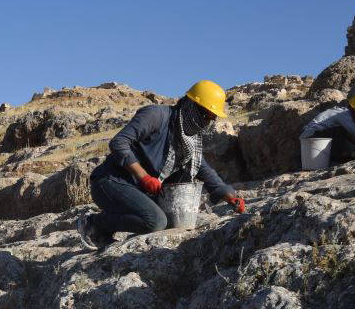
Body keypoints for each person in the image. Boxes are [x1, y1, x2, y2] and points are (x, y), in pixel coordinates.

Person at [76, 80, 246, 251]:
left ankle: (105, 228)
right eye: (205, 115)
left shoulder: (190, 139)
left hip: (139, 191)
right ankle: (92, 224)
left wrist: (230, 196)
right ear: (191, 105)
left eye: (211, 118)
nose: (206, 122)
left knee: (172, 220)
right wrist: (144, 176)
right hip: (110, 182)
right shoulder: (156, 116)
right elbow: (119, 143)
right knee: (156, 221)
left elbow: (205, 171)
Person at [300, 92, 355, 167]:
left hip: (311, 137)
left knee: (343, 131)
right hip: (312, 136)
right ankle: (337, 159)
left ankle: (342, 156)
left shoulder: (343, 113)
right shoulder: (342, 115)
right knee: (340, 130)